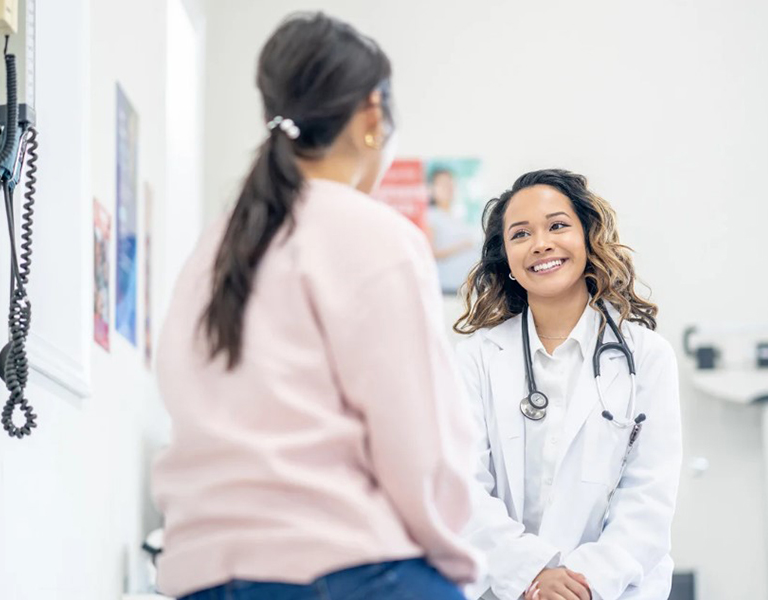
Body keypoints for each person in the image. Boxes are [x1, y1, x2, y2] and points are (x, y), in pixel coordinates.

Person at [151, 12, 482, 600]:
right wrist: (456, 571)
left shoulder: (216, 247)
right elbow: (420, 456)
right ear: (373, 115)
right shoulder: (376, 235)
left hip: (197, 579)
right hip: (346, 572)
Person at [453, 169, 681, 600]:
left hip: (613, 589)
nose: (541, 243)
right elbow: (461, 489)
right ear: (506, 259)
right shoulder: (475, 359)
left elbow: (648, 498)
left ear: (588, 238)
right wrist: (531, 574)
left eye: (558, 225)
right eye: (521, 234)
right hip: (508, 588)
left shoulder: (647, 357)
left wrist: (581, 584)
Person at [425, 168, 480, 293]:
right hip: (447, 286)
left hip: (467, 286)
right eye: (443, 185)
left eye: (451, 184)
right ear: (432, 189)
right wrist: (463, 245)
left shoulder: (457, 215)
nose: (449, 188)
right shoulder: (431, 216)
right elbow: (431, 253)